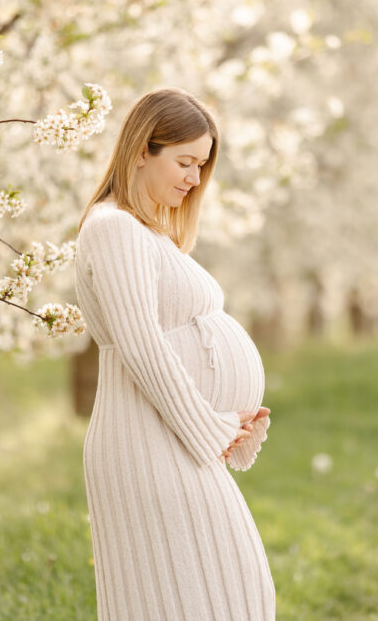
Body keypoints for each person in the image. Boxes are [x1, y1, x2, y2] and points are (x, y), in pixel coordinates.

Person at [74, 87, 275, 620]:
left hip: (174, 437)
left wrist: (227, 420)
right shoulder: (113, 229)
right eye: (184, 162)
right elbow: (141, 346)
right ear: (143, 149)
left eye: (201, 166)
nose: (193, 179)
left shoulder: (146, 233)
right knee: (195, 598)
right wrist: (210, 428)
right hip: (147, 440)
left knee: (224, 596)